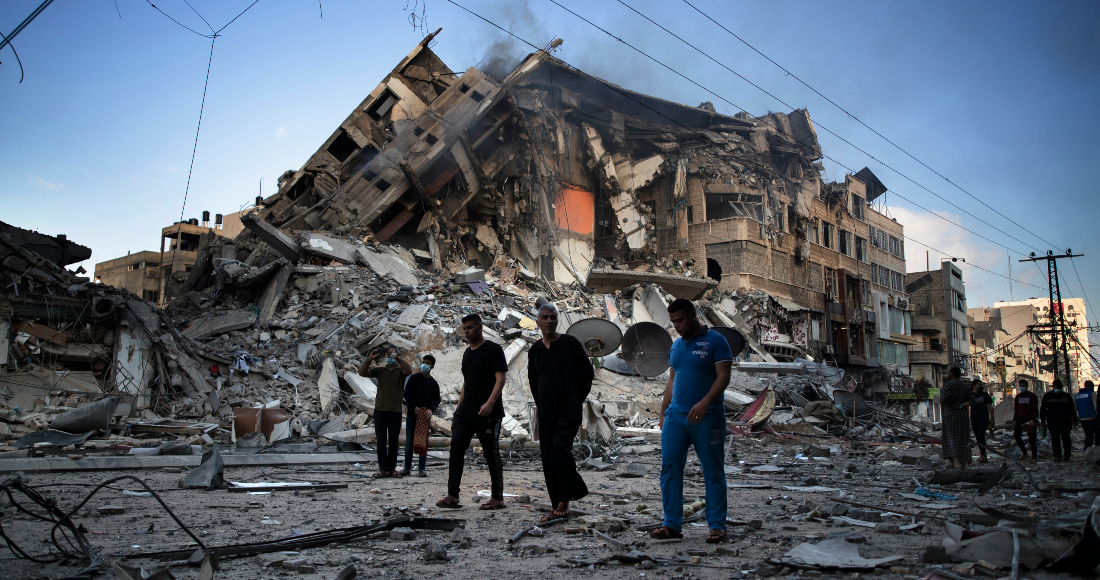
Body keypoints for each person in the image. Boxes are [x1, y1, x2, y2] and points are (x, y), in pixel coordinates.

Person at [651, 298, 732, 544]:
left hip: (707, 418)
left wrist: (705, 402)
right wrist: (663, 411)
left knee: (713, 471)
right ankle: (671, 524)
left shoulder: (717, 342)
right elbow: (672, 380)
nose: (676, 325)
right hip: (677, 417)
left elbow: (724, 377)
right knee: (669, 469)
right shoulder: (676, 346)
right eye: (673, 321)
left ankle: (717, 526)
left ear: (693, 314)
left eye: (680, 320)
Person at [528, 303, 594, 522]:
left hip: (568, 410)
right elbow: (533, 381)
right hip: (546, 413)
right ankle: (557, 504)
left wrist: (576, 400)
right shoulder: (535, 350)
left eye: (553, 317)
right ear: (538, 322)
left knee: (559, 450)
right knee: (548, 458)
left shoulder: (570, 344)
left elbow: (586, 374)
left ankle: (566, 499)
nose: (549, 321)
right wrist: (541, 404)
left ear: (558, 320)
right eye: (545, 317)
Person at [436, 313, 508, 510]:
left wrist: (490, 403)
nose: (466, 332)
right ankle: (453, 495)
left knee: (490, 453)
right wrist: (459, 406)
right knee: (456, 448)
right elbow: (467, 381)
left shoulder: (493, 350)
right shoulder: (467, 353)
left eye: (470, 328)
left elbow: (500, 379)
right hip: (466, 411)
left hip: (488, 412)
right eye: (464, 329)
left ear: (480, 327)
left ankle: (497, 497)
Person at [358, 346, 412, 478]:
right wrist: (369, 359)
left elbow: (409, 370)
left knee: (394, 441)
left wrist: (397, 357)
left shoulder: (400, 372)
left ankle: (392, 468)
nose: (389, 354)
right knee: (381, 440)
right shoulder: (380, 370)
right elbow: (362, 373)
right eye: (387, 353)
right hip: (380, 411)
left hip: (395, 411)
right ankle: (383, 469)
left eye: (391, 352)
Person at [401, 354, 441, 477]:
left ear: (432, 366)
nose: (424, 365)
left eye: (427, 363)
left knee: (423, 441)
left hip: (424, 416)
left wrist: (430, 410)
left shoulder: (434, 383)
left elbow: (437, 400)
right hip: (413, 414)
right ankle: (407, 468)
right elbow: (407, 395)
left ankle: (421, 469)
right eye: (423, 362)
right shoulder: (413, 378)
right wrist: (414, 407)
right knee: (409, 442)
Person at [940, 367, 972, 468]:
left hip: (950, 415)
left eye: (949, 372)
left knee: (951, 438)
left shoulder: (948, 385)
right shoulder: (965, 386)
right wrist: (961, 405)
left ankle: (956, 461)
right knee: (964, 439)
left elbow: (942, 399)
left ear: (952, 373)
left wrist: (945, 401)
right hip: (963, 416)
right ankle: (966, 461)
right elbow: (971, 401)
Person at [1040, 378, 1078, 462]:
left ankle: (1067, 455)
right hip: (1052, 421)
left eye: (1058, 387)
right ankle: (1057, 456)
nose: (1057, 389)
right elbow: (1043, 409)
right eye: (1055, 387)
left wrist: (1075, 419)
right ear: (1053, 387)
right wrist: (1042, 421)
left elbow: (1072, 409)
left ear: (1061, 387)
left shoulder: (1066, 396)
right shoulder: (1047, 396)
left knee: (1066, 439)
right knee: (1055, 439)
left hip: (1065, 421)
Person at [1013, 379, 1040, 462]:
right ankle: (1024, 452)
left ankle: (1034, 456)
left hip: (1030, 419)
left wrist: (1033, 419)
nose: (1021, 387)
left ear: (1027, 386)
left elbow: (1035, 409)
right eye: (1020, 386)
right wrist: (1014, 419)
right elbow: (1016, 409)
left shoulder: (1032, 396)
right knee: (1016, 435)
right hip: (1020, 418)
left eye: (1023, 386)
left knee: (1032, 438)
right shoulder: (1018, 396)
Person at [969, 380, 995, 463]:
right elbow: (968, 406)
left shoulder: (985, 395)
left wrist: (992, 418)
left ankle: (984, 455)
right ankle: (982, 454)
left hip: (983, 417)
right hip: (974, 418)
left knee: (981, 434)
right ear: (974, 385)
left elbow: (990, 406)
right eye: (979, 385)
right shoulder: (970, 395)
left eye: (981, 385)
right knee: (977, 436)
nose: (980, 386)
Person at [1076, 380, 1098, 451]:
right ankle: (1097, 452)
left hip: (1083, 419)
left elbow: (1075, 408)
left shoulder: (1078, 395)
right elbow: (1096, 406)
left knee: (1088, 436)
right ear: (1091, 386)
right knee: (1097, 436)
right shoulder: (1092, 393)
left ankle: (1087, 451)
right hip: (1093, 418)